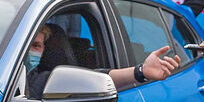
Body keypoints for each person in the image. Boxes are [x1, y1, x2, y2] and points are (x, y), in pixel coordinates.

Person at [25, 24, 178, 96]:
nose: (30, 51)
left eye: (36, 46)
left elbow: (96, 78)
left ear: (45, 49)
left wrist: (141, 71)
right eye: (26, 45)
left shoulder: (44, 81)